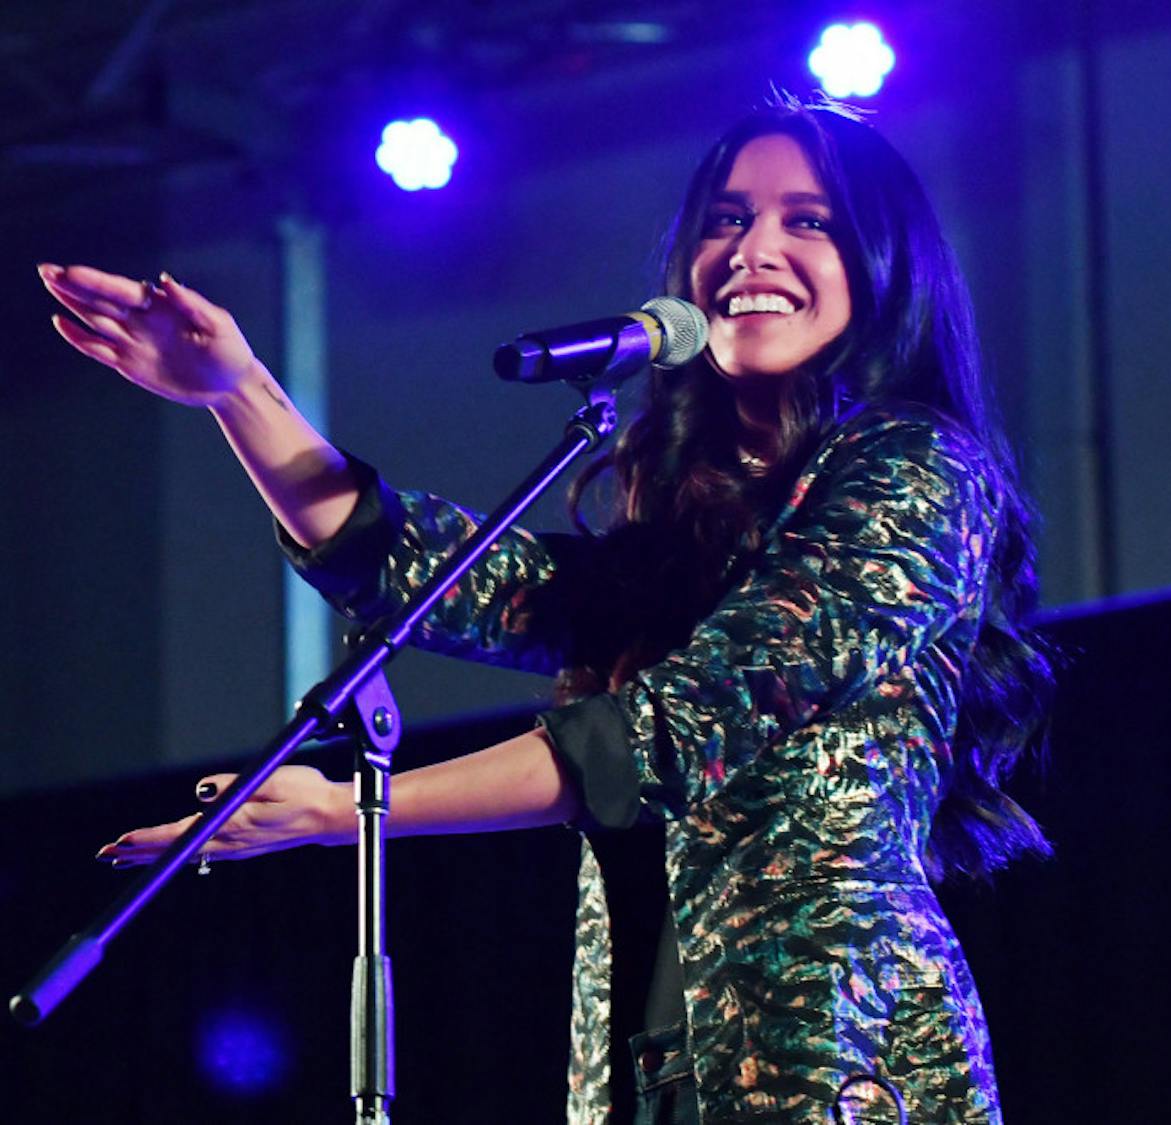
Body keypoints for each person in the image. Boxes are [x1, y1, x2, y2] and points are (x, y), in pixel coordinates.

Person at [43, 95, 1053, 1124]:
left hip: (835, 1065)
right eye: (725, 218)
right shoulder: (685, 534)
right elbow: (452, 576)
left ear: (886, 267)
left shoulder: (920, 472)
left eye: (809, 221)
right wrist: (239, 392)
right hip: (646, 1069)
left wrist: (355, 814)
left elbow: (673, 725)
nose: (752, 249)